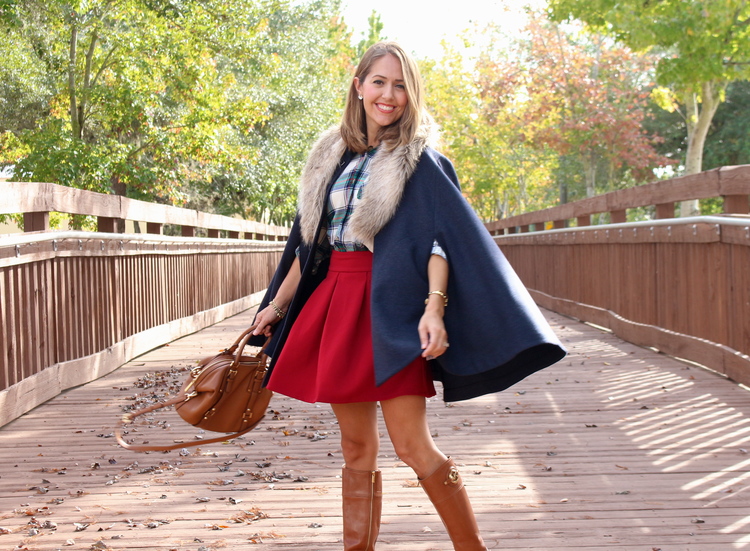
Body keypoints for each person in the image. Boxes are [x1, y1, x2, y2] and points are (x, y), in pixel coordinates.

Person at [251, 41, 566, 551]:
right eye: (379, 81)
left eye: (400, 85)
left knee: (412, 446)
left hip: (392, 307)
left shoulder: (421, 161)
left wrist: (434, 309)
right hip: (335, 302)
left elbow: (442, 241)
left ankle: (472, 548)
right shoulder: (329, 155)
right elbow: (308, 244)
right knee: (355, 447)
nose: (388, 95)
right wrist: (277, 306)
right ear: (359, 85)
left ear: (410, 94)